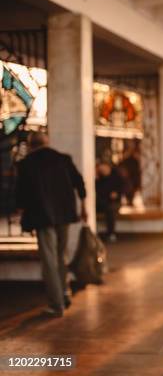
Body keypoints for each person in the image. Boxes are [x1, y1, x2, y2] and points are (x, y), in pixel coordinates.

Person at [15, 131, 87, 318]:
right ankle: (64, 291)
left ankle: (56, 304)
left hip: (43, 217)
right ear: (47, 142)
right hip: (65, 214)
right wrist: (84, 207)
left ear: (31, 145)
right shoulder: (63, 159)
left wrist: (23, 215)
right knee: (61, 255)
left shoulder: (26, 164)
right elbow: (79, 183)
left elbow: (21, 195)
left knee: (49, 260)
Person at [95, 161, 123, 242]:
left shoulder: (116, 176)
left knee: (110, 209)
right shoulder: (99, 178)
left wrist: (117, 193)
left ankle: (111, 233)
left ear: (107, 167)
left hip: (113, 202)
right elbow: (98, 191)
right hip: (102, 202)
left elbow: (123, 187)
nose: (102, 170)